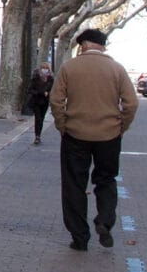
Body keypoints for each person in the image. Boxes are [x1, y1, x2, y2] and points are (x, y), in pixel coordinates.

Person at [50, 28, 138, 252]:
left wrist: (63, 126)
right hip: (109, 135)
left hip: (75, 134)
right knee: (106, 180)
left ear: (84, 45)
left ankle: (79, 237)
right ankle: (105, 221)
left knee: (74, 185)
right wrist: (121, 127)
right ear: (102, 46)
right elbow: (131, 103)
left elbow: (56, 100)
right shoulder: (117, 69)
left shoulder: (69, 67)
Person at [26, 63, 53, 145]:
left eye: (46, 68)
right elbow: (30, 90)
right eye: (43, 68)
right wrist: (41, 92)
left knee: (41, 118)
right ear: (40, 69)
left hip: (45, 102)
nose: (45, 69)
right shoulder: (35, 77)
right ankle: (37, 136)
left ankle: (38, 135)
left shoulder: (50, 78)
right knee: (38, 118)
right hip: (36, 101)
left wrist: (48, 93)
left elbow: (51, 89)